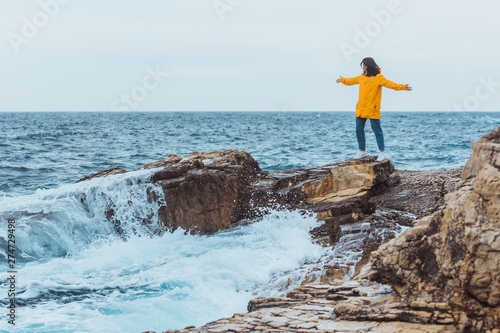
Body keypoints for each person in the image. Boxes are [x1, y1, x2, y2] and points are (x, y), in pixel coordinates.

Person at [336, 57, 412, 162]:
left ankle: (382, 153)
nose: (363, 69)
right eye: (362, 67)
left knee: (377, 131)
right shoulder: (361, 77)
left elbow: (391, 84)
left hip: (373, 108)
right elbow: (350, 81)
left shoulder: (378, 78)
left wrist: (403, 87)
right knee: (359, 130)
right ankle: (362, 151)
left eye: (365, 67)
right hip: (361, 108)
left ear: (369, 66)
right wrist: (341, 80)